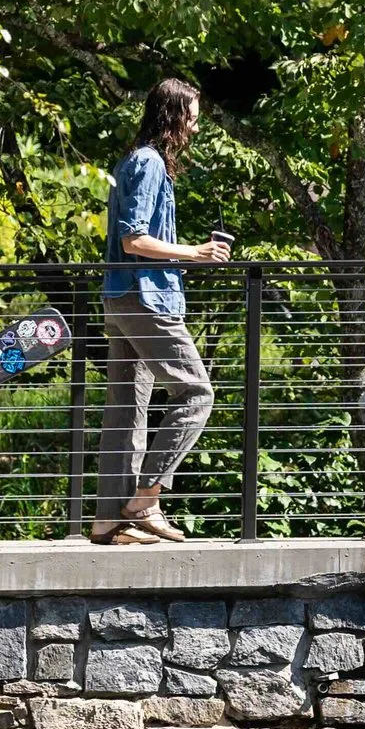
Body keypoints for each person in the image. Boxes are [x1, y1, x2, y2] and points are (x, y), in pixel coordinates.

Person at [93, 79, 228, 544]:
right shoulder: (149, 163)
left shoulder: (133, 160)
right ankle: (146, 499)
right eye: (190, 116)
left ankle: (110, 519)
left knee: (127, 410)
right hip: (145, 298)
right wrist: (196, 253)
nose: (195, 125)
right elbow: (134, 240)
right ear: (173, 116)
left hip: (122, 297)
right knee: (197, 393)